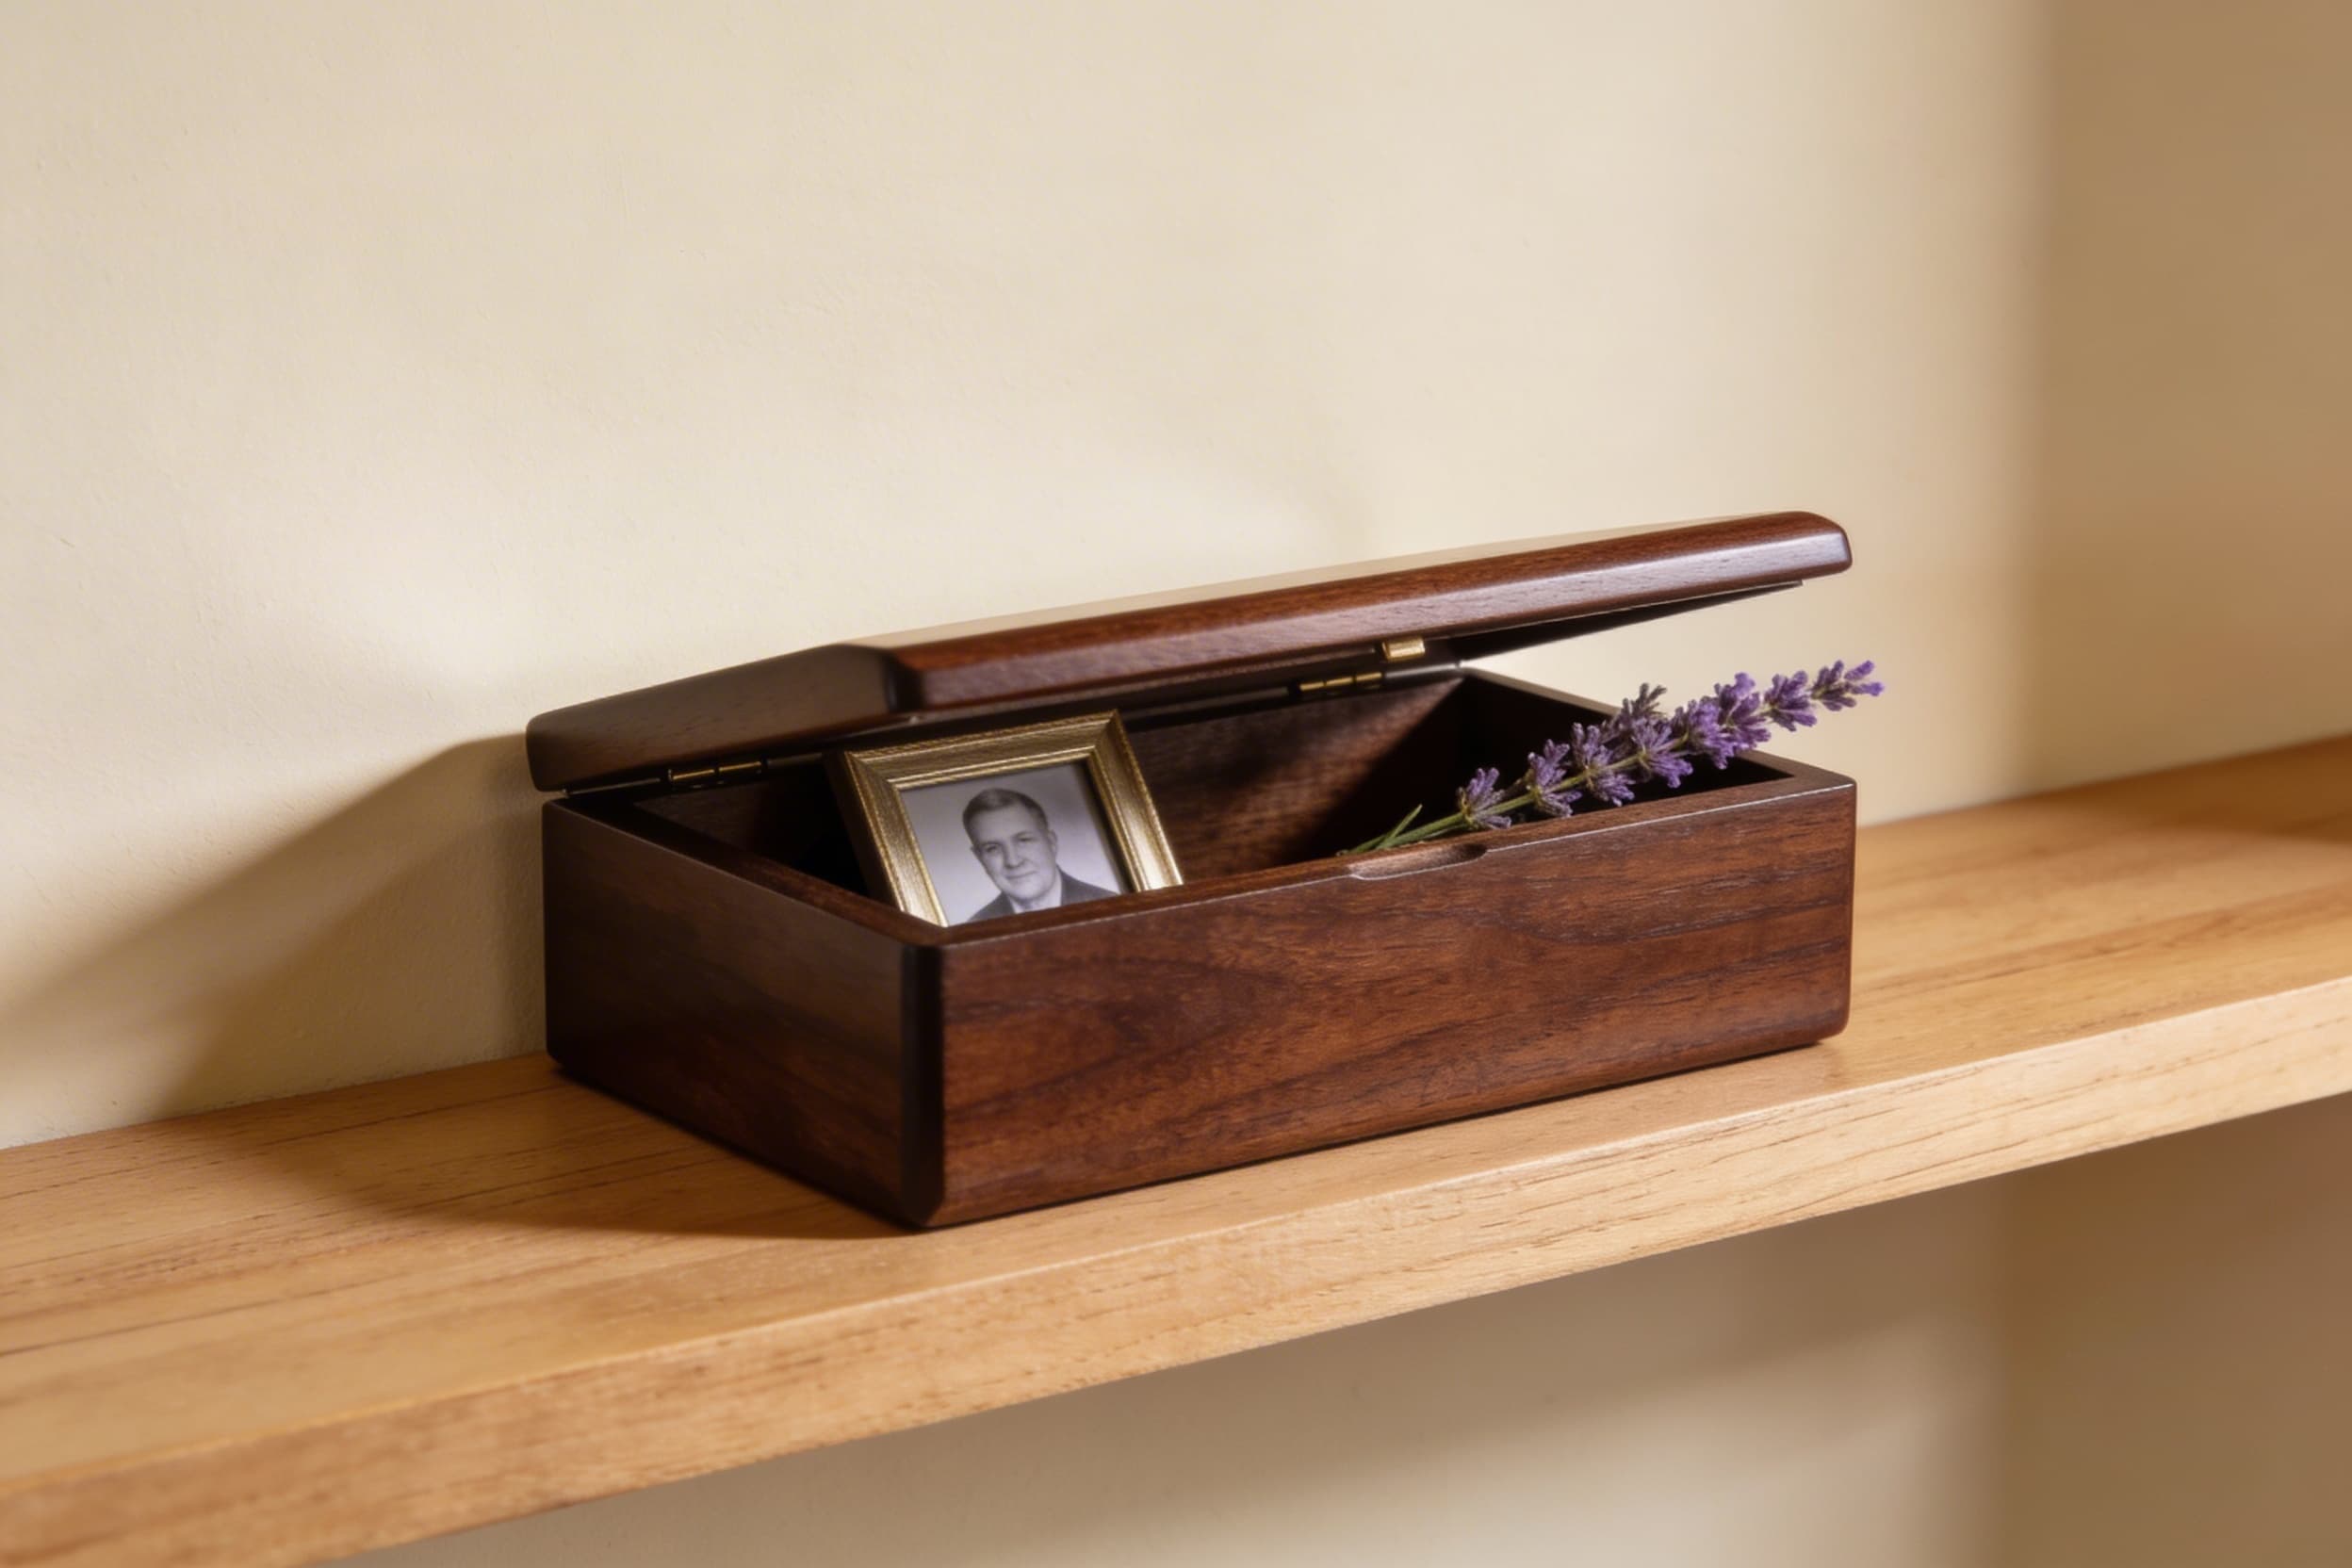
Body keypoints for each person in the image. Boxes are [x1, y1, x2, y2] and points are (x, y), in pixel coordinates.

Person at [960, 787, 1118, 922]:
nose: (1013, 862)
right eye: (992, 848)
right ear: (979, 858)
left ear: (1051, 842)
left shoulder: (1114, 909)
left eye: (1024, 840)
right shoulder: (971, 932)